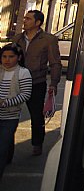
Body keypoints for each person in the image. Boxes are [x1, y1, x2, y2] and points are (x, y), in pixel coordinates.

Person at [11, 10, 61, 156]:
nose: (24, 20)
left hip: (36, 82)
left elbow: (55, 63)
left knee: (36, 115)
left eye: (28, 18)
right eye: (24, 17)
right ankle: (7, 147)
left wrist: (54, 83)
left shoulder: (48, 39)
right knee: (10, 114)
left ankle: (37, 143)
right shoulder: (18, 38)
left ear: (37, 23)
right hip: (16, 82)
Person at [0, 43, 32, 180]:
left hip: (9, 117)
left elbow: (25, 94)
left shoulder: (23, 73)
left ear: (18, 58)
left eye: (11, 57)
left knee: (1, 150)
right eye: (4, 56)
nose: (7, 60)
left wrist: (5, 102)